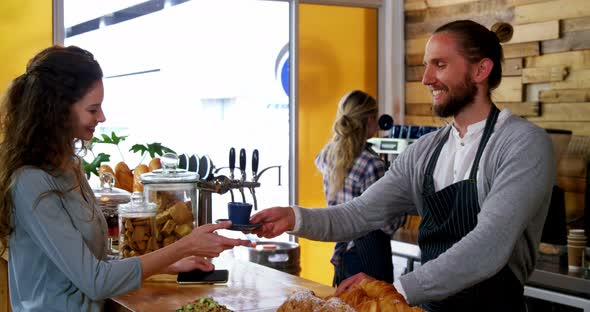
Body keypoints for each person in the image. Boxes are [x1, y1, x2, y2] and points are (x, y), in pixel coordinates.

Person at [250, 20, 555, 311]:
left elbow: (489, 244)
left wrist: (399, 289)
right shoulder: (425, 151)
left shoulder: (522, 143)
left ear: (481, 70)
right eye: (426, 66)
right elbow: (360, 213)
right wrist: (294, 217)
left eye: (440, 64)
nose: (426, 79)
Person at [0, 45, 251, 311]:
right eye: (93, 109)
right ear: (57, 111)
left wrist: (167, 265)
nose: (102, 117)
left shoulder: (69, 168)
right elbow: (95, 281)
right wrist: (184, 246)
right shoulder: (31, 182)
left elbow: (93, 263)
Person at [315, 90, 406, 286]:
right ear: (371, 120)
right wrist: (404, 203)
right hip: (368, 255)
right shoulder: (372, 165)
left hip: (342, 251)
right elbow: (387, 223)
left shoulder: (328, 155)